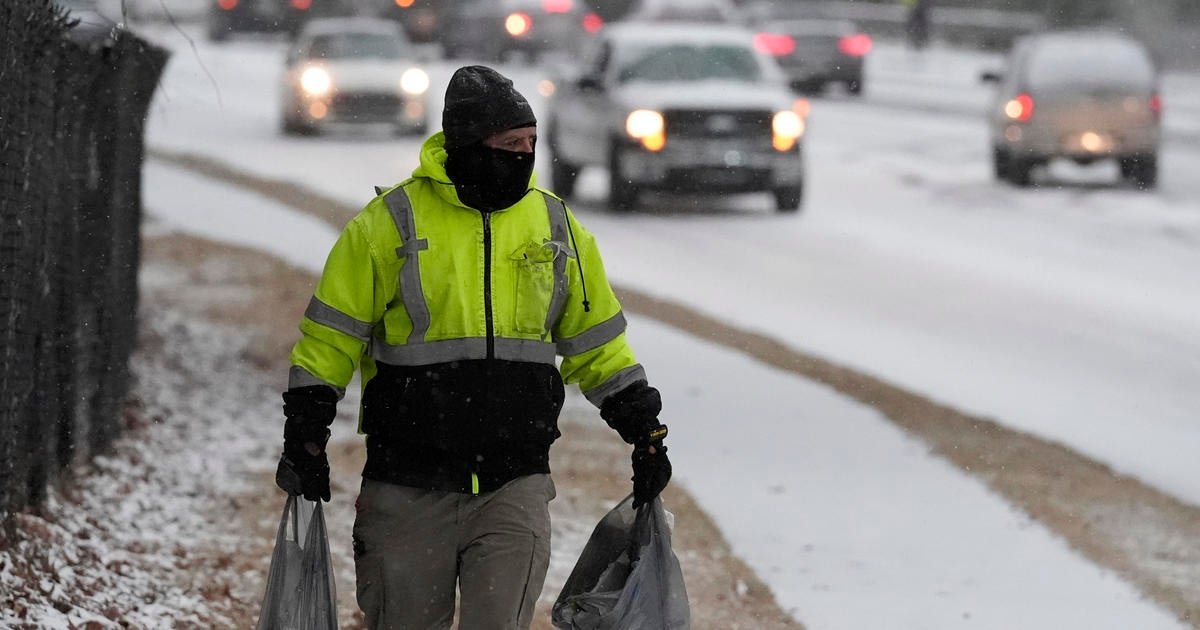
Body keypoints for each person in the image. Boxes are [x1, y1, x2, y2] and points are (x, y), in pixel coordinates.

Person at [273, 65, 673, 629]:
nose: (524, 156)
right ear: (467, 144)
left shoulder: (556, 227)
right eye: (511, 144)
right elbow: (330, 338)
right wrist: (306, 429)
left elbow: (598, 343)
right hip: (408, 485)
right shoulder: (389, 224)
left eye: (531, 143)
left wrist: (643, 428)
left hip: (515, 485)